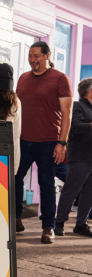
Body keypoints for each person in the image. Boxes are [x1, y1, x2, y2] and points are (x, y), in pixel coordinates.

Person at [15, 41, 73, 244]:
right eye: (30, 56)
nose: (32, 59)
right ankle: (16, 217)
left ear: (47, 56)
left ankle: (48, 227)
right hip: (22, 141)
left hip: (49, 142)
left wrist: (62, 143)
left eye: (36, 56)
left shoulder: (60, 79)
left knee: (46, 185)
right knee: (14, 178)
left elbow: (67, 113)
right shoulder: (22, 79)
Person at [55, 78, 92, 237]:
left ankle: (81, 224)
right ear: (89, 91)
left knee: (89, 193)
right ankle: (59, 223)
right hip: (80, 156)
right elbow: (75, 127)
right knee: (71, 191)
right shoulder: (78, 106)